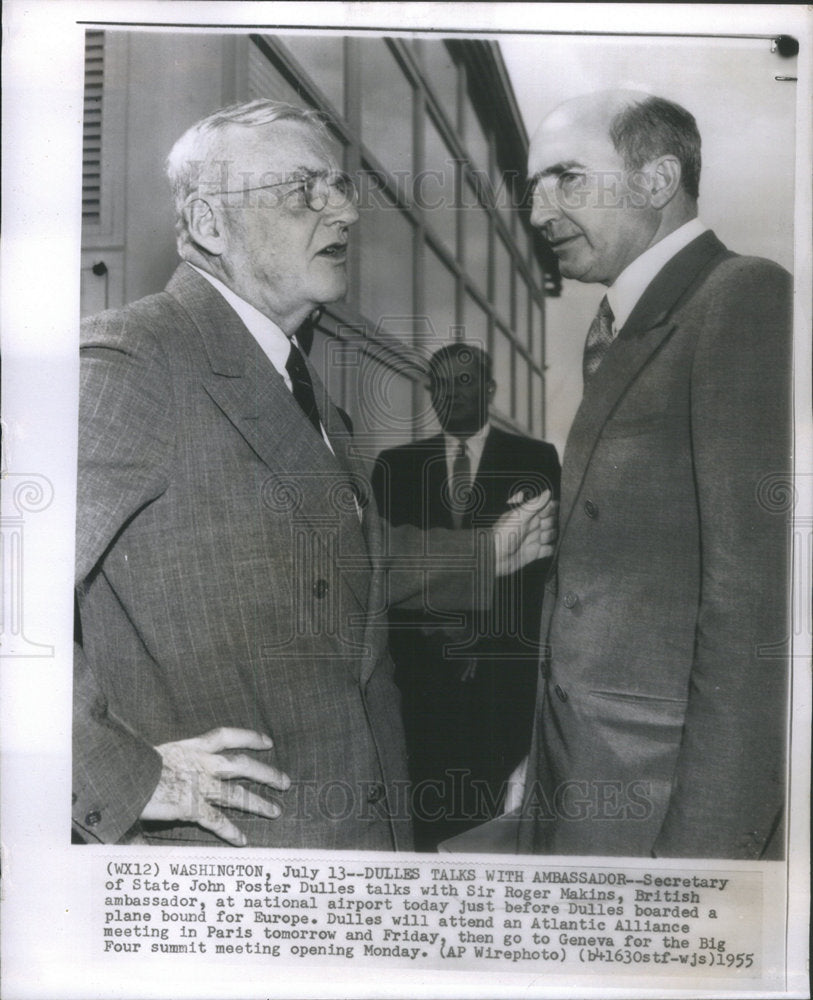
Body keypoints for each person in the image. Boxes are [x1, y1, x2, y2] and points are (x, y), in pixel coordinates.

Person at [72, 99, 556, 850]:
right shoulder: (134, 359)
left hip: (362, 834)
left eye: (340, 186)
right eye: (304, 189)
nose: (343, 212)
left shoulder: (296, 375)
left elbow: (334, 563)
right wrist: (122, 776)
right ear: (208, 223)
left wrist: (488, 552)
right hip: (237, 871)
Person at [512, 90, 791, 859]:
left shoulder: (744, 299)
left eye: (566, 178)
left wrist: (703, 857)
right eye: (533, 186)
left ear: (656, 179)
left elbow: (755, 610)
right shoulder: (626, 323)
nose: (537, 212)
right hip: (583, 787)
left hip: (662, 815)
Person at [372, 344, 560, 849]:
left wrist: (479, 631)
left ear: (490, 390)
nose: (453, 396)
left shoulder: (535, 460)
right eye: (441, 386)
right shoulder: (394, 466)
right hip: (422, 684)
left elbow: (541, 574)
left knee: (497, 820)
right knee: (426, 818)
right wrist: (436, 626)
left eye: (466, 383)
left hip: (501, 682)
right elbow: (382, 567)